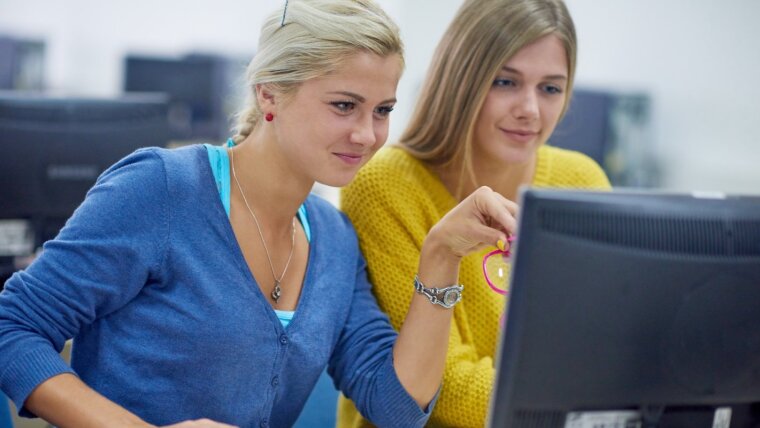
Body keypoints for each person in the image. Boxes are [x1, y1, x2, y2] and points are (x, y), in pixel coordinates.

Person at [0, 1, 519, 427]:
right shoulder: (164, 190)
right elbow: (13, 326)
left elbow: (396, 406)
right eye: (344, 105)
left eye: (382, 110)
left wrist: (441, 255)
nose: (367, 134)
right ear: (269, 94)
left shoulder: (334, 239)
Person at [337, 0, 612, 426]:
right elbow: (446, 388)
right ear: (463, 79)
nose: (530, 110)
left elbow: (603, 348)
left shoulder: (582, 182)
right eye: (506, 82)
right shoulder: (385, 186)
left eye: (551, 88)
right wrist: (582, 401)